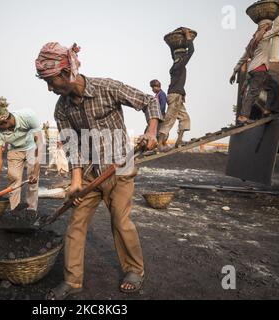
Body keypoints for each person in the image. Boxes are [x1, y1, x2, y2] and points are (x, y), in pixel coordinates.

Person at [35, 42, 162, 300]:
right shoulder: (62, 108)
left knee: (120, 221)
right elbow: (72, 147)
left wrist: (151, 131)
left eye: (51, 81)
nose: (50, 88)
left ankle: (134, 270)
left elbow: (148, 102)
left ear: (66, 73)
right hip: (92, 174)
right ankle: (72, 281)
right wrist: (77, 182)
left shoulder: (107, 88)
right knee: (75, 225)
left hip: (120, 169)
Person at [230, 0, 279, 125]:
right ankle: (243, 117)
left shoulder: (252, 41)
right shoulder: (265, 36)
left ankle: (268, 110)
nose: (271, 27)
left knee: (273, 86)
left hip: (254, 70)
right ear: (266, 27)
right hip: (260, 70)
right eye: (270, 26)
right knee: (253, 93)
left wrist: (234, 71)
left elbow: (243, 58)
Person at [0, 97, 43, 211]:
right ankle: (14, 212)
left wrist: (35, 171)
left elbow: (40, 144)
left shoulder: (28, 116)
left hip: (32, 148)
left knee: (32, 182)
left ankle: (31, 211)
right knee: (14, 181)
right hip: (15, 150)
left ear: (4, 121)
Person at [158, 28, 195, 150]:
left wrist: (170, 47)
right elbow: (191, 51)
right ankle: (159, 144)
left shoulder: (174, 65)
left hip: (176, 94)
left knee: (185, 118)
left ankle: (179, 141)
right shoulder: (180, 65)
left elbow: (172, 55)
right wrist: (187, 35)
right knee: (170, 119)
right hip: (175, 96)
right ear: (182, 57)